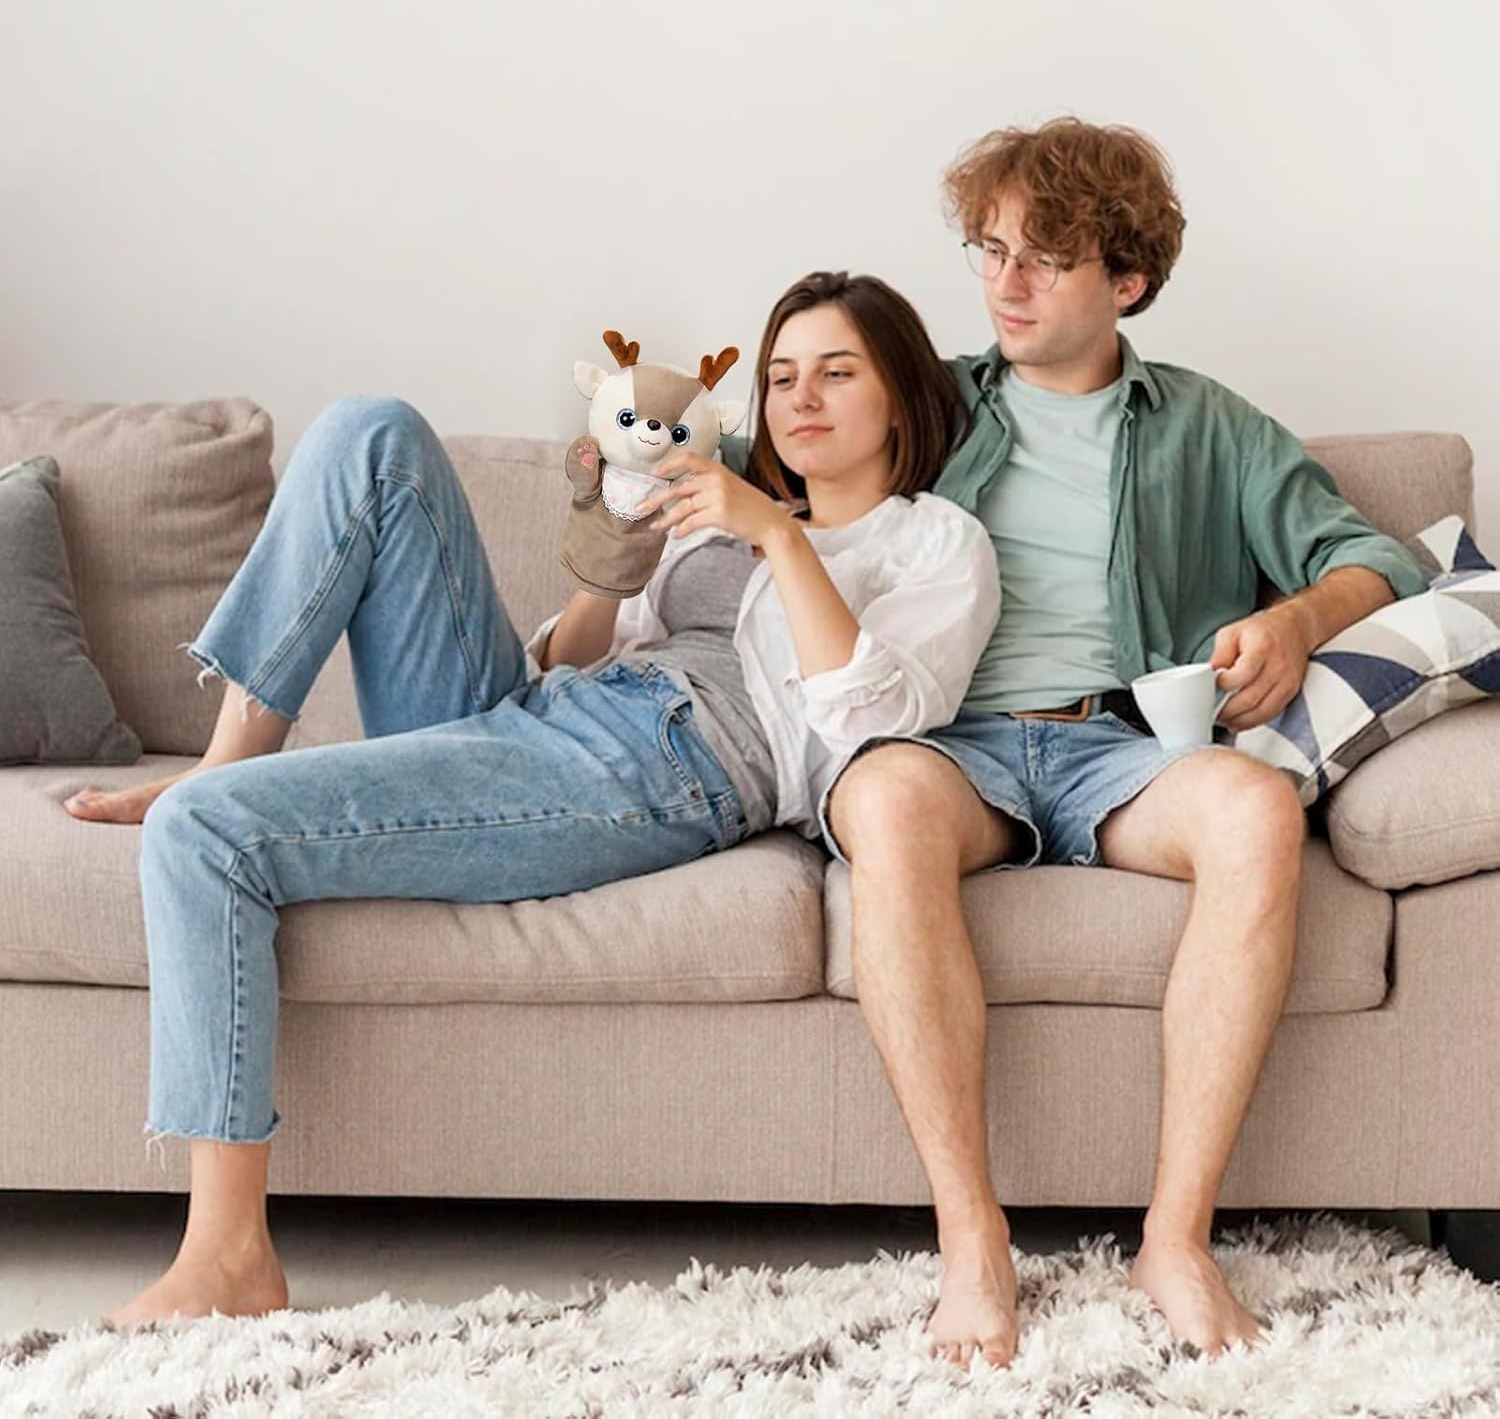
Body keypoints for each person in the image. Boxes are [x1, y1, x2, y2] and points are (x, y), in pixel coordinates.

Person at [65, 270, 1001, 1330]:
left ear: (901, 398)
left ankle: (229, 1255)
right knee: (371, 432)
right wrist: (608, 563)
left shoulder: (933, 542)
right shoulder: (708, 523)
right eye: (782, 377)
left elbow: (872, 719)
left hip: (665, 762)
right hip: (547, 708)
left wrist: (782, 538)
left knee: (203, 836)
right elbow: (574, 657)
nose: (802, 398)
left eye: (837, 373)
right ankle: (226, 756)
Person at [792, 120, 1428, 1368]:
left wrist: (1296, 621)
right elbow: (770, 446)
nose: (1006, 284)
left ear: (1126, 280)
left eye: (1044, 259)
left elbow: (1377, 560)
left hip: (1123, 747)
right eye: (990, 251)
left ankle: (1176, 1241)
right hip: (951, 740)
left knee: (1255, 809)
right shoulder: (927, 399)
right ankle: (973, 1242)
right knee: (883, 806)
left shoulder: (1211, 427)